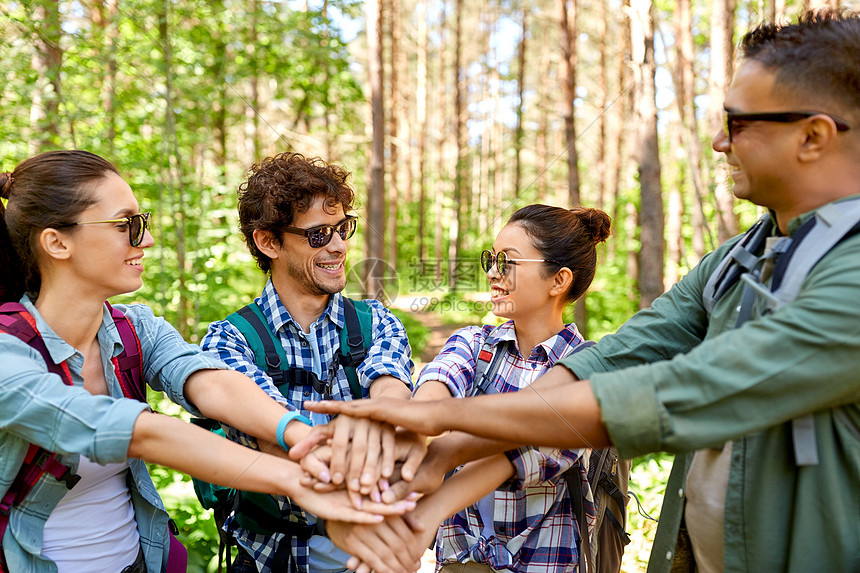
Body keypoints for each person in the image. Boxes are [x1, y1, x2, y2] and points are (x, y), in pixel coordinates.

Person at [305, 10, 860, 573]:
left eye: (737, 123)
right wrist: (442, 447)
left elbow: (681, 391)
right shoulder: (739, 258)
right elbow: (619, 355)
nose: (719, 141)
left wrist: (446, 421)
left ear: (813, 135)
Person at [0, 150, 411, 573]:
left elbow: (208, 382)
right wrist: (295, 478)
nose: (146, 240)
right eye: (127, 226)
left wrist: (297, 433)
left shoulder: (134, 329)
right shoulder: (6, 354)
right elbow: (137, 432)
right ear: (56, 242)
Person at [200, 152, 415, 573]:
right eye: (318, 235)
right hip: (269, 560)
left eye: (343, 229)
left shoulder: (379, 323)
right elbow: (273, 439)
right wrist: (367, 438)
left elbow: (394, 401)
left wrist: (387, 417)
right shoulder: (228, 341)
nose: (339, 246)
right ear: (269, 242)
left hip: (371, 558)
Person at [411, 204, 610, 573]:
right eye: (492, 259)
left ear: (558, 280)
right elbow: (436, 385)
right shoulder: (474, 344)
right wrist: (414, 421)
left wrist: (445, 453)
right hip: (462, 561)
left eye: (507, 263)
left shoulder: (590, 369)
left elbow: (538, 444)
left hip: (540, 562)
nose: (491, 273)